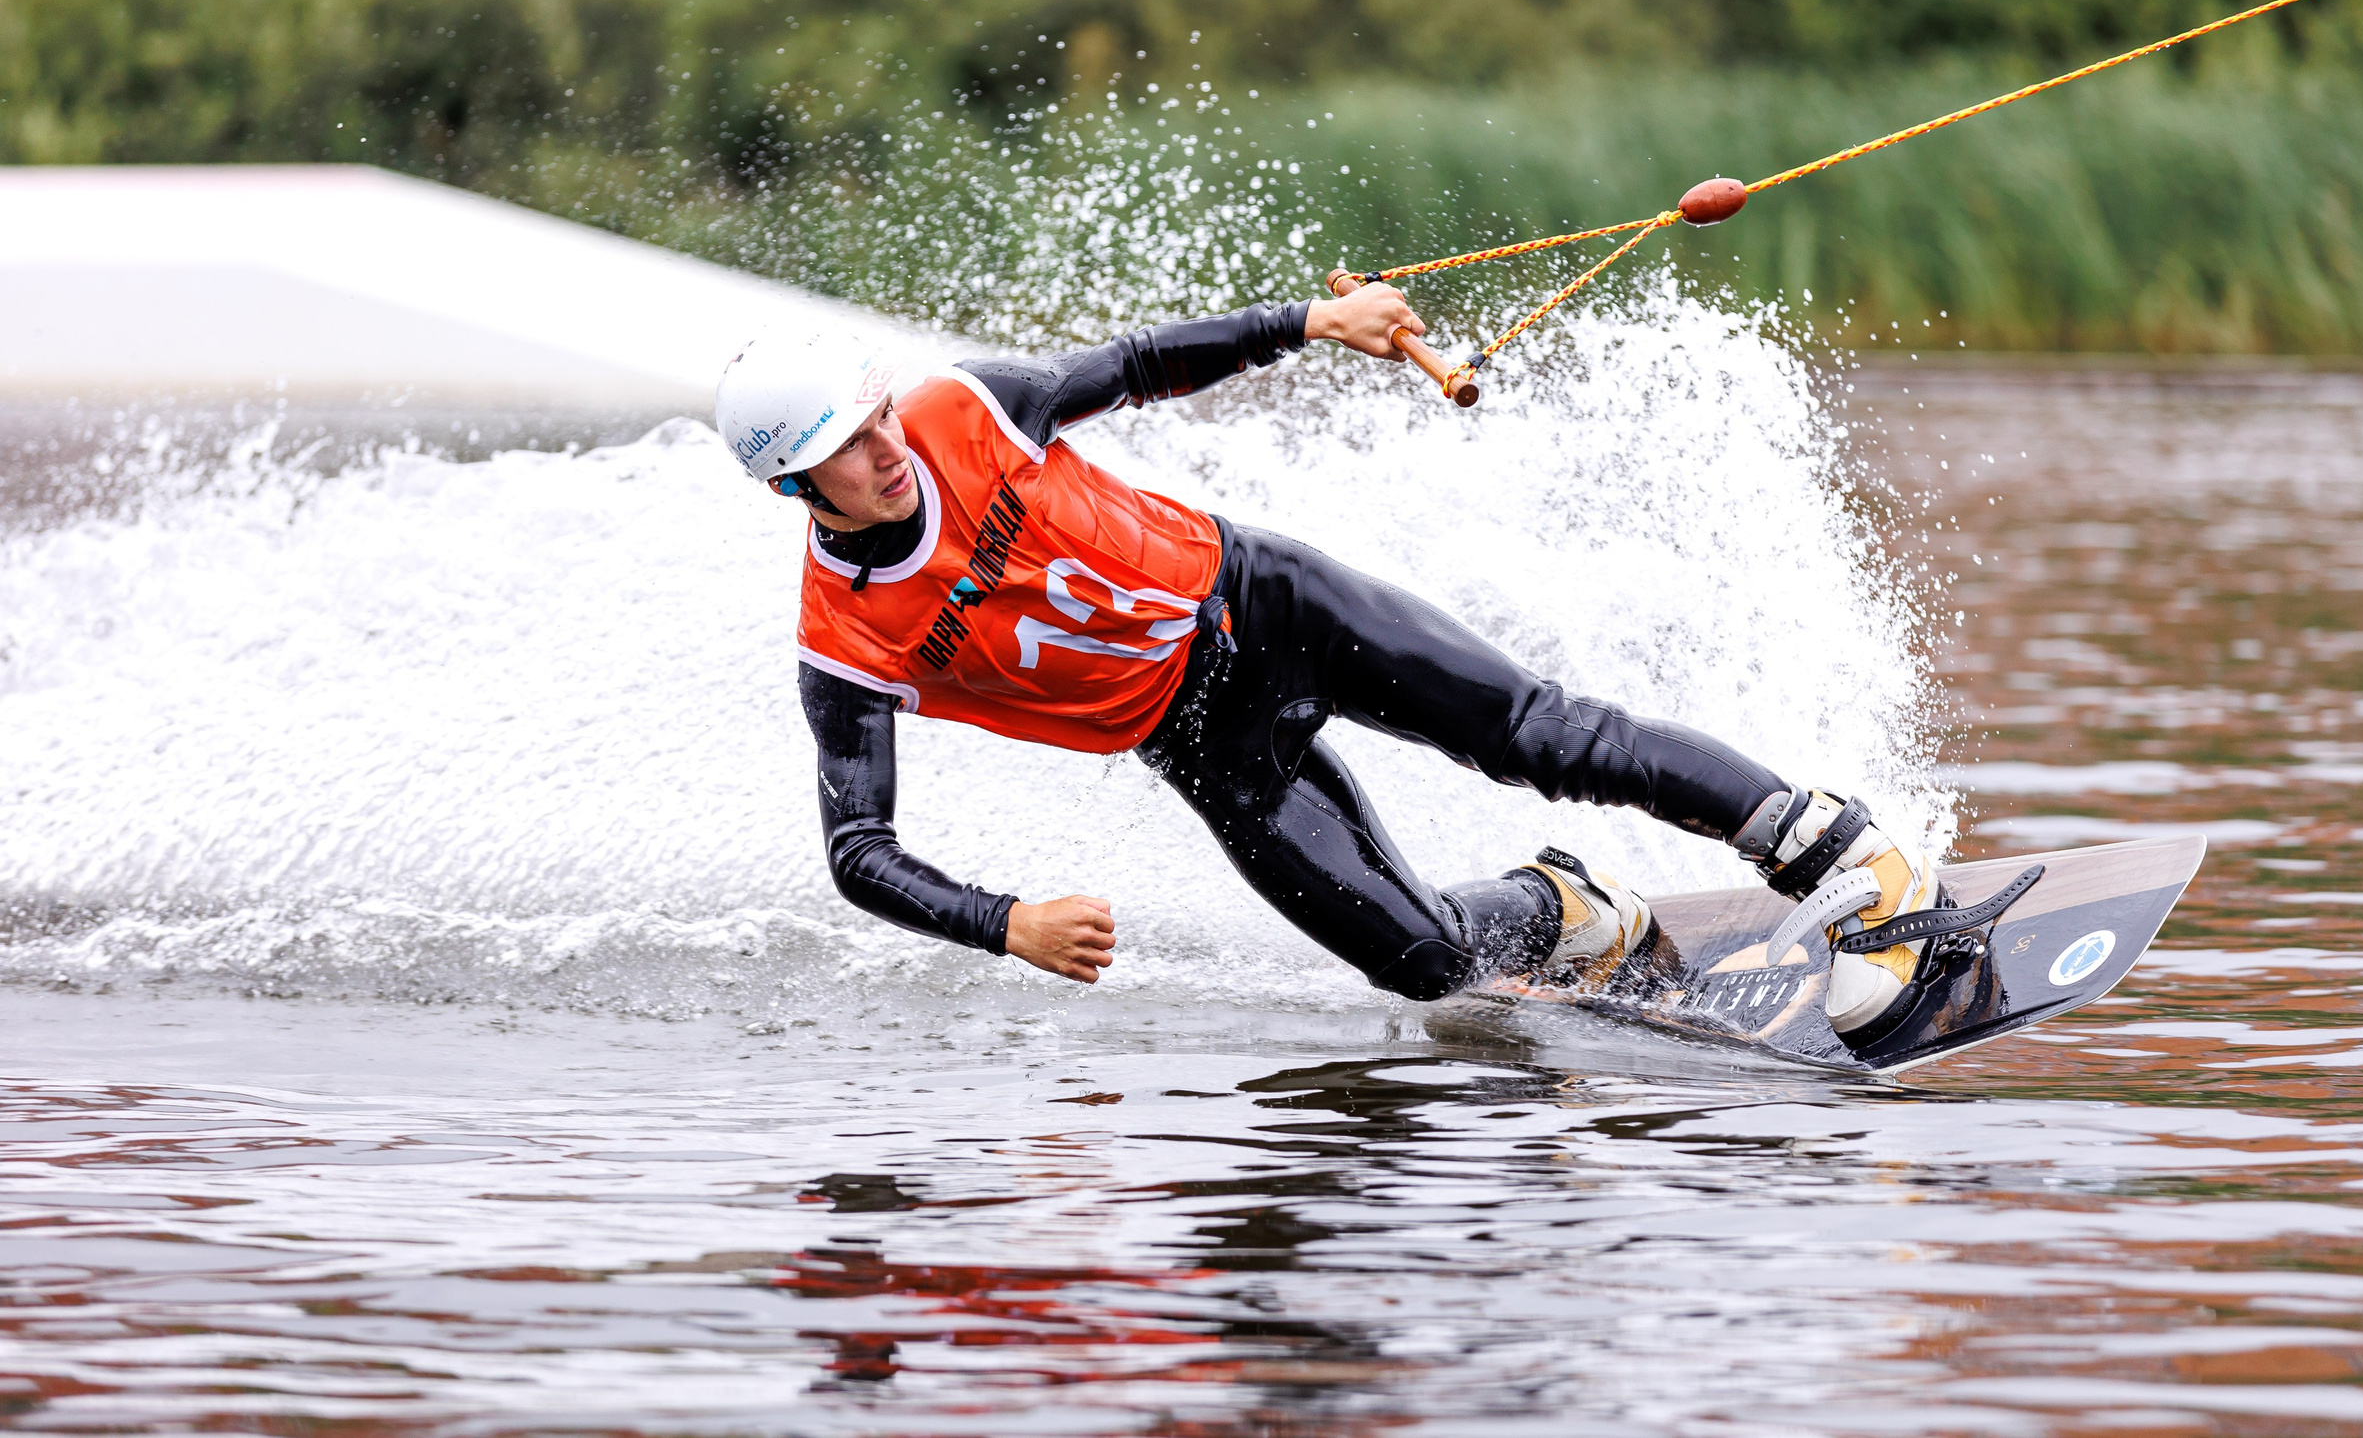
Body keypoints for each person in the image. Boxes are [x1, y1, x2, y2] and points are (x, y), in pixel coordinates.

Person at [716, 286, 1938, 1040]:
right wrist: (1007, 923)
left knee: (1546, 737)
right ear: (790, 485)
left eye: (874, 418)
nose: (884, 449)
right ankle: (1567, 909)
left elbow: (1138, 365)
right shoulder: (846, 642)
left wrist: (1311, 324)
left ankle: (1841, 856)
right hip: (1203, 744)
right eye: (845, 448)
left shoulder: (960, 409)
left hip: (1269, 603)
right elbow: (856, 856)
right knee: (1428, 971)